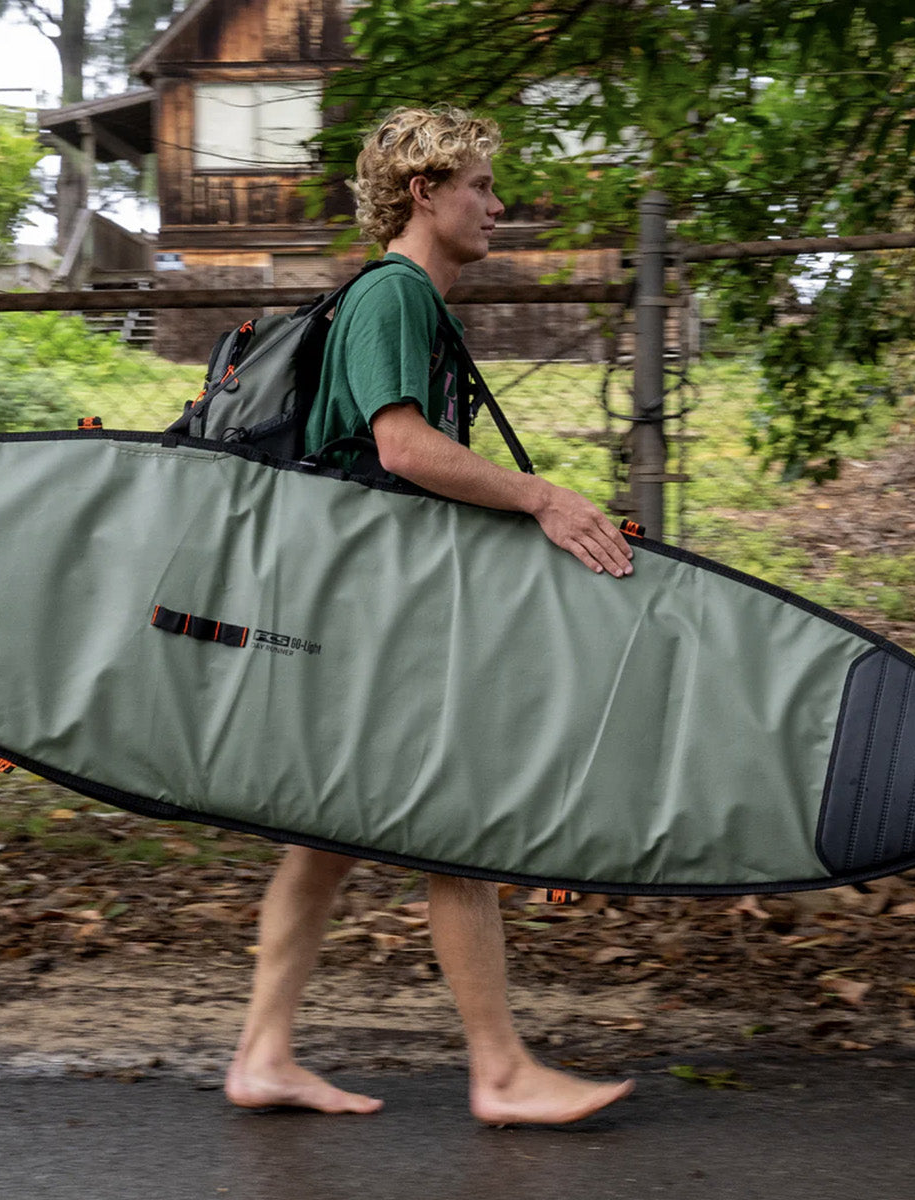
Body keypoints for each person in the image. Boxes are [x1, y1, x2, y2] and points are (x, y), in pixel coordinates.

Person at [225, 107, 635, 1125]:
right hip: (359, 618)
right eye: (481, 188)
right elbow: (402, 450)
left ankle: (262, 1056)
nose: (499, 206)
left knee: (321, 837)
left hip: (344, 607)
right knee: (451, 821)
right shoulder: (397, 295)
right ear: (424, 192)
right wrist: (542, 496)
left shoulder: (403, 302)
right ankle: (499, 1072)